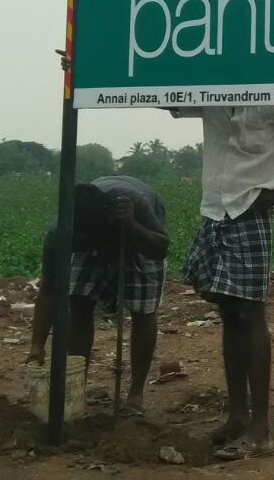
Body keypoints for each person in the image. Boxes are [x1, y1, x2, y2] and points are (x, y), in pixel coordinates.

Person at [172, 106, 274, 461]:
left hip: (251, 210)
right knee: (229, 312)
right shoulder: (209, 93)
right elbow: (166, 97)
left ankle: (260, 429)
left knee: (250, 313)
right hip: (214, 209)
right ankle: (237, 417)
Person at [26, 176, 170, 415]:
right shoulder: (60, 233)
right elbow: (49, 289)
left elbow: (161, 247)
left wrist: (133, 226)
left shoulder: (132, 203)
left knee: (142, 309)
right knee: (79, 302)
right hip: (98, 231)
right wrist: (36, 345)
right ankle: (76, 386)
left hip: (137, 234)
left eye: (90, 239)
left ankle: (135, 395)